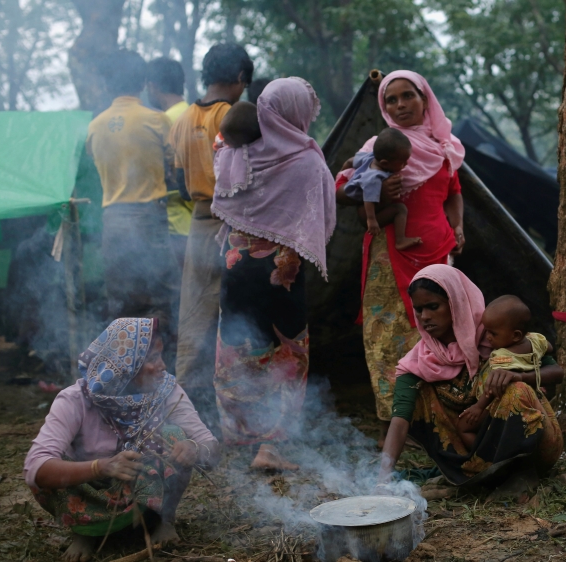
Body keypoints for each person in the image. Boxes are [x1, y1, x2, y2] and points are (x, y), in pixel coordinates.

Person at [210, 78, 336, 471]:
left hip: (236, 267)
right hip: (281, 274)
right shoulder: (305, 159)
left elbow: (223, 140)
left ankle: (238, 434)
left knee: (239, 348)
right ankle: (272, 448)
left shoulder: (231, 154)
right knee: (287, 353)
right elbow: (322, 210)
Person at [334, 71, 466, 445]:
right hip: (389, 255)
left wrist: (459, 227)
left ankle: (437, 418)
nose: (400, 105)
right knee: (387, 337)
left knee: (439, 335)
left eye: (408, 96)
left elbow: (454, 191)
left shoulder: (445, 148)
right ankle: (397, 423)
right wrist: (375, 189)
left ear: (426, 100)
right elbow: (341, 187)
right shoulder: (380, 147)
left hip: (438, 252)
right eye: (390, 100)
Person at [24, 318, 220, 562]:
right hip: (90, 495)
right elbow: (35, 469)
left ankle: (163, 519)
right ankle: (84, 532)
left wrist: (195, 449)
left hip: (144, 499)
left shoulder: (166, 390)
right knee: (52, 463)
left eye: (161, 355)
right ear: (125, 366)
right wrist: (100, 467)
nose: (162, 366)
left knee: (174, 435)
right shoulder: (75, 399)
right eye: (152, 359)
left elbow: (210, 445)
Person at [378, 265, 563, 493]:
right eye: (419, 310)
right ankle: (473, 472)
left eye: (433, 307)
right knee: (412, 392)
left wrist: (519, 375)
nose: (425, 317)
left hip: (531, 448)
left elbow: (555, 372)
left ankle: (519, 474)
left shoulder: (496, 331)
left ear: (456, 303)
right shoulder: (419, 361)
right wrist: (382, 479)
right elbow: (400, 419)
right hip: (470, 450)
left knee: (516, 390)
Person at [169, 43, 252, 426]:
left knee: (193, 318)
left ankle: (180, 413)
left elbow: (181, 184)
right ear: (239, 78)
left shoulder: (183, 118)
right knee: (236, 319)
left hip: (199, 224)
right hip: (232, 225)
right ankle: (238, 414)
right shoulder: (232, 115)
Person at [87, 50, 175, 327]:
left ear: (107, 84)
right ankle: (161, 366)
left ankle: (125, 367)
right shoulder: (157, 120)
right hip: (150, 220)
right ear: (142, 82)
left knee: (121, 304)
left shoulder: (94, 127)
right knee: (161, 299)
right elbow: (174, 169)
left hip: (113, 223)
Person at [457, 295, 552, 448]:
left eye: (493, 333)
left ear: (515, 335)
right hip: (533, 401)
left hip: (497, 402)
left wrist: (478, 407)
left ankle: (483, 456)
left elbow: (493, 386)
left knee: (463, 427)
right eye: (486, 331)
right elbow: (549, 347)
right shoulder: (536, 341)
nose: (487, 337)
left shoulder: (501, 357)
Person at [146, 56, 192, 370]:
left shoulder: (165, 122)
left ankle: (179, 369)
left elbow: (172, 178)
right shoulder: (195, 114)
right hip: (207, 224)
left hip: (177, 227)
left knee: (179, 303)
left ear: (153, 86)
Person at [344, 128, 420, 251]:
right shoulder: (374, 178)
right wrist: (372, 219)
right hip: (368, 208)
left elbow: (349, 161)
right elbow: (369, 198)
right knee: (400, 209)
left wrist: (343, 173)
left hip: (356, 196)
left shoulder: (370, 157)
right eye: (402, 163)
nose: (405, 165)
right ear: (385, 163)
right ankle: (400, 240)